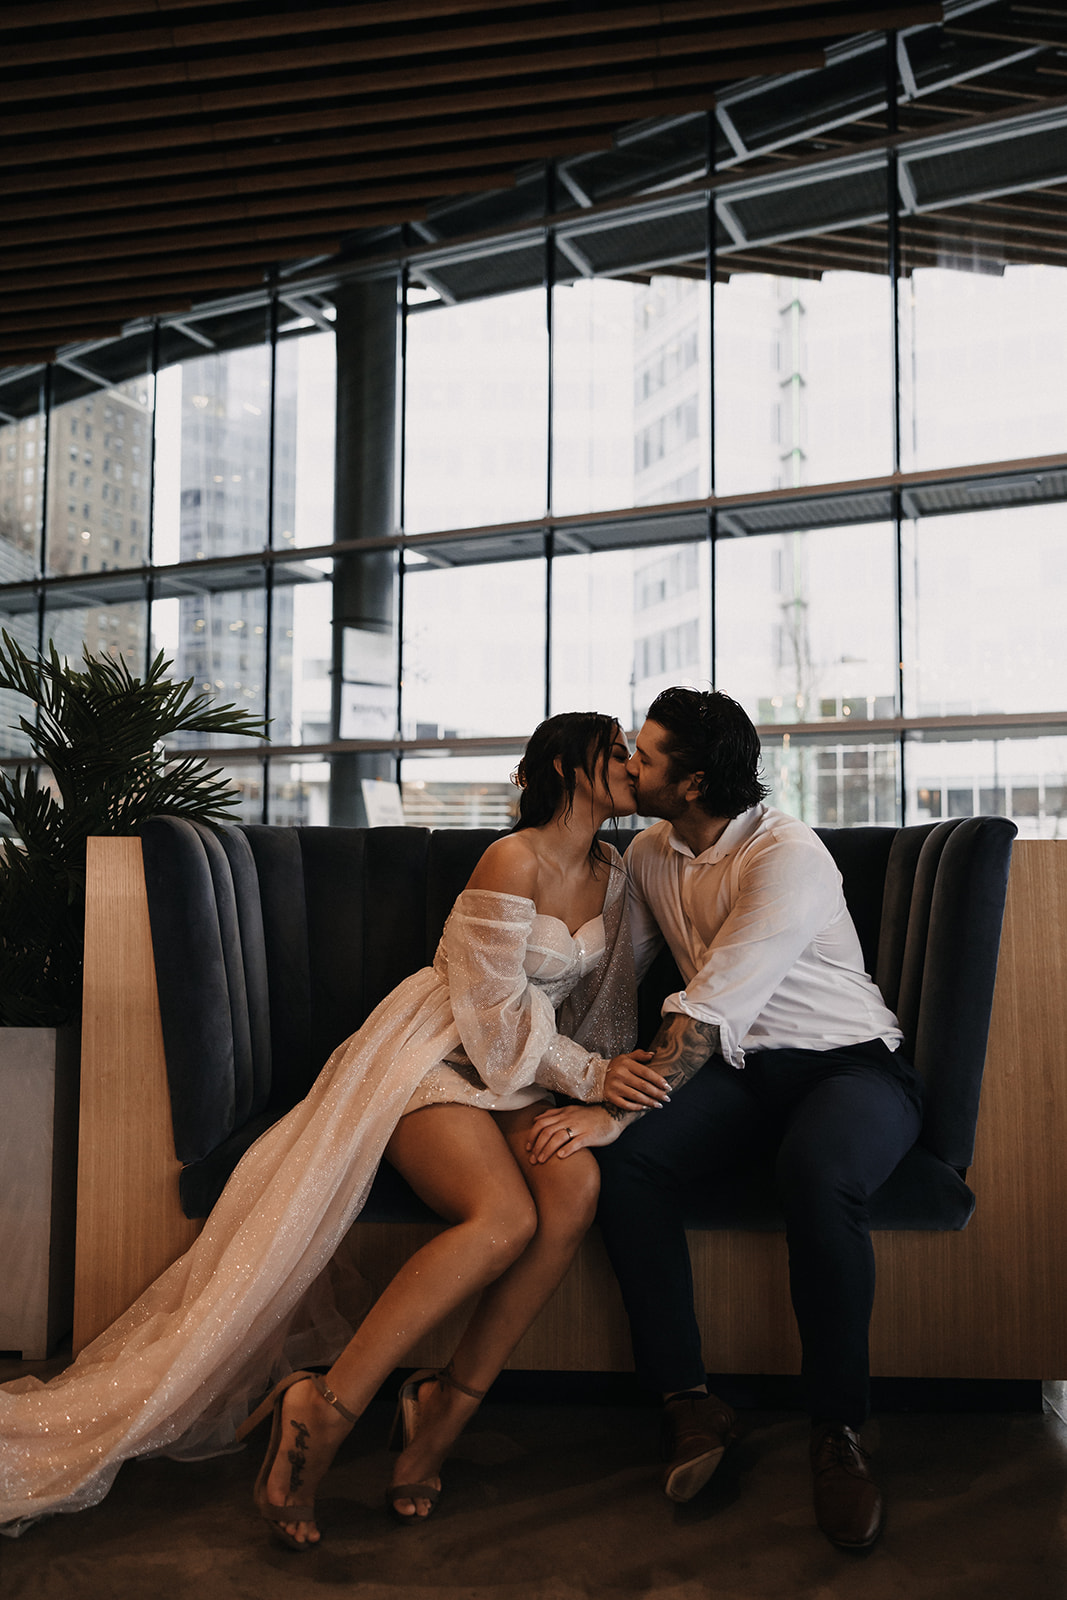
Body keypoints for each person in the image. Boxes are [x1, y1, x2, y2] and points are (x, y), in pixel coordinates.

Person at [1, 711, 663, 1547]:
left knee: (574, 1191)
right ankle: (328, 1407)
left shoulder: (617, 869)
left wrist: (597, 1098)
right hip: (434, 1049)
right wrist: (590, 1074)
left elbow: (606, 1011)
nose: (635, 768)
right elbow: (490, 1016)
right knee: (503, 1219)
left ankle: (437, 1422)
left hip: (531, 1068)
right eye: (619, 753)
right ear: (571, 766)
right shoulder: (512, 858)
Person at [529, 687, 923, 1551]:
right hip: (741, 1073)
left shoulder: (786, 853)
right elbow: (608, 970)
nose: (629, 764)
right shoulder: (652, 853)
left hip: (845, 1064)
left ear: (696, 779)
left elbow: (709, 1009)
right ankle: (687, 1401)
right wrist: (574, 1075)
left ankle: (837, 1433)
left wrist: (613, 1110)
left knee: (816, 1177)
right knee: (631, 1167)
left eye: (647, 754)